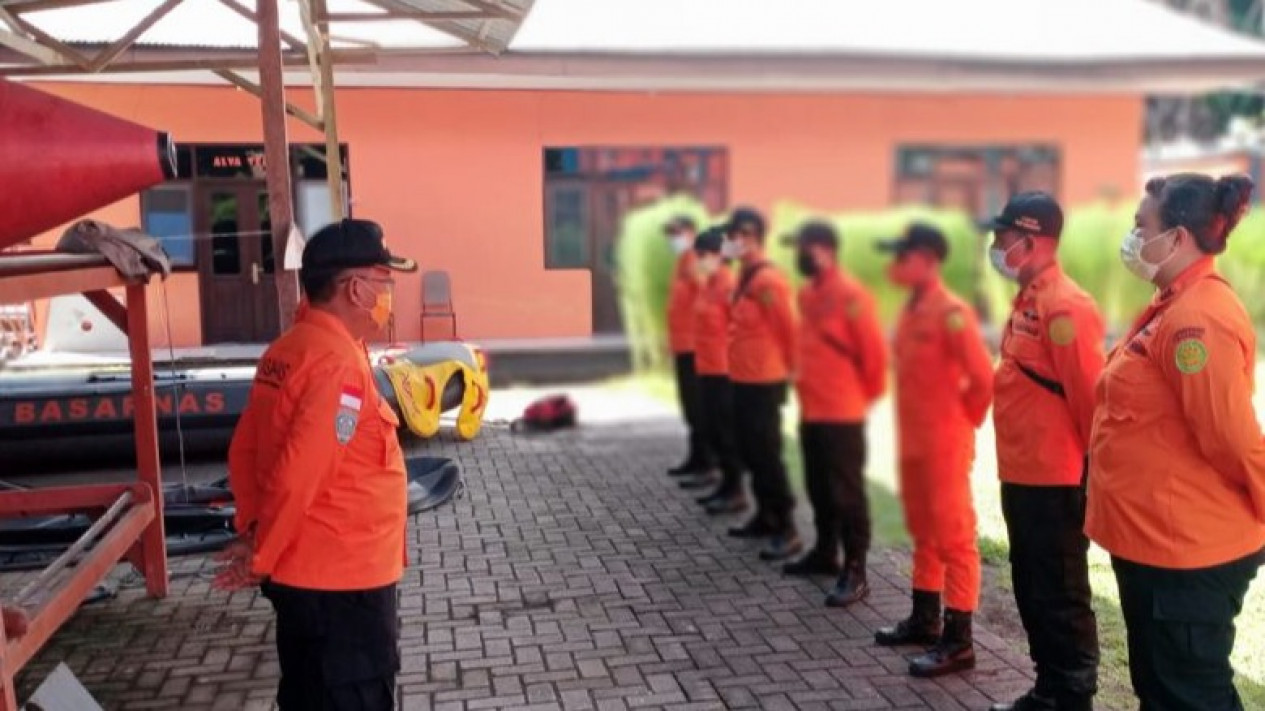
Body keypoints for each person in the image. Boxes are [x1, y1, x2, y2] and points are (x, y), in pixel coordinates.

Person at [214, 218, 414, 711]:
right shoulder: (337, 366)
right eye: (383, 281)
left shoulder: (288, 351)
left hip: (310, 581)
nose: (389, 295)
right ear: (356, 289)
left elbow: (245, 452)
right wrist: (260, 557)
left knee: (307, 694)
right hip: (342, 588)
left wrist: (255, 533)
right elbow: (298, 476)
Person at [1086, 173, 1263, 710]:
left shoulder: (1197, 320)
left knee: (1190, 696)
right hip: (1158, 545)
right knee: (1162, 691)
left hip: (1186, 556)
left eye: (1143, 226)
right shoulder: (1172, 303)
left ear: (1178, 237)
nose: (1133, 236)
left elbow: (1231, 439)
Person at [987, 193, 1103, 711]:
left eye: (1002, 237)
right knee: (1032, 589)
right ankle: (1049, 687)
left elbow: (1088, 399)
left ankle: (1073, 694)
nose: (994, 246)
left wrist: (1090, 476)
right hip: (1022, 475)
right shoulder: (1029, 299)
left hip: (1056, 481)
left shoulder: (1066, 306)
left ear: (1029, 241)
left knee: (1059, 593)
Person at [875, 223, 993, 678]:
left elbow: (983, 379)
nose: (894, 265)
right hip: (915, 443)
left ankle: (959, 641)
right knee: (925, 531)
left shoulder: (951, 313)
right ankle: (925, 619)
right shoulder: (911, 311)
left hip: (943, 445)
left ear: (925, 259)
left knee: (956, 540)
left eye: (902, 256)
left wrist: (960, 423)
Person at [781, 221, 888, 611]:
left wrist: (859, 398)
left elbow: (874, 357)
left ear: (825, 249)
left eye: (805, 247)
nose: (800, 255)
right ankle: (826, 552)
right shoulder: (807, 293)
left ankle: (855, 570)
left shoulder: (851, 294)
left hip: (842, 412)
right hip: (812, 410)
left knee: (847, 494)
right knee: (818, 486)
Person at [723, 206, 801, 561]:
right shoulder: (746, 276)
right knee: (750, 451)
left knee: (767, 455)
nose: (729, 242)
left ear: (751, 237)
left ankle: (787, 528)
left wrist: (794, 374)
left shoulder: (768, 280)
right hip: (742, 378)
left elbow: (788, 329)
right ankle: (765, 516)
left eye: (734, 236)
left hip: (764, 382)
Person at [691, 226, 748, 516]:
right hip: (707, 368)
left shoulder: (728, 285)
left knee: (727, 434)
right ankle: (725, 485)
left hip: (725, 371)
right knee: (713, 430)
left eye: (702, 254)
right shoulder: (709, 284)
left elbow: (739, 329)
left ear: (718, 255)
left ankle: (735, 491)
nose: (698, 259)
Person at [663, 215, 713, 483]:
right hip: (683, 347)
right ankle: (696, 458)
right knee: (690, 408)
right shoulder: (682, 263)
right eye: (670, 234)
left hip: (696, 348)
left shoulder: (695, 262)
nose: (674, 239)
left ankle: (708, 463)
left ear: (692, 232)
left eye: (677, 232)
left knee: (698, 408)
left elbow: (708, 301)